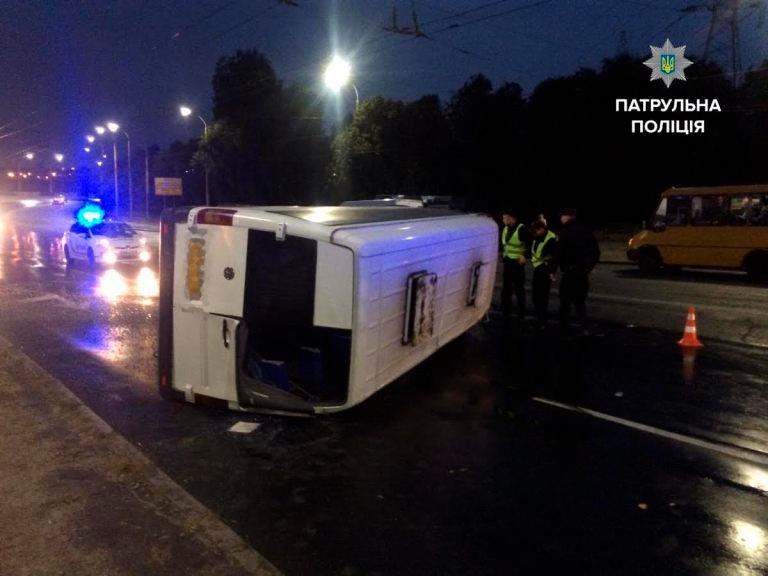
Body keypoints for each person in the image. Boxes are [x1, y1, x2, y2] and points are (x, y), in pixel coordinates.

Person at [555, 208, 600, 336]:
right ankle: (584, 327)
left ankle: (564, 330)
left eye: (563, 216)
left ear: (569, 217)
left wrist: (553, 269)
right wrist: (589, 267)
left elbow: (559, 253)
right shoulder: (586, 231)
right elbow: (596, 252)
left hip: (569, 273)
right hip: (582, 273)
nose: (561, 218)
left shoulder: (565, 232)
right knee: (580, 302)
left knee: (565, 302)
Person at [500, 210, 531, 324]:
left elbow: (529, 243)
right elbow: (503, 245)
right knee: (506, 289)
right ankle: (505, 313)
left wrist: (525, 256)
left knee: (519, 290)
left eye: (505, 218)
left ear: (512, 218)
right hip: (508, 263)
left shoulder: (521, 229)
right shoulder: (506, 228)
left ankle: (521, 315)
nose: (503, 220)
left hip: (517, 264)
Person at [529, 219, 557, 329]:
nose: (534, 233)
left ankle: (542, 321)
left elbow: (555, 257)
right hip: (538, 268)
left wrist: (552, 271)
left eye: (536, 231)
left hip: (546, 269)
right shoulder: (537, 236)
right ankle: (539, 319)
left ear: (542, 229)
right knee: (536, 296)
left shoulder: (551, 238)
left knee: (542, 297)